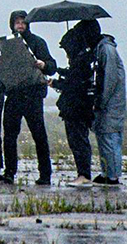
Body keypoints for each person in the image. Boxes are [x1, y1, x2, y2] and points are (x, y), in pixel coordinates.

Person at [0, 10, 57, 186]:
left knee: (39, 136)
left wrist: (43, 64)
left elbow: (52, 67)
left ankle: (45, 175)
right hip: (14, 95)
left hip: (33, 95)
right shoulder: (7, 45)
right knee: (9, 135)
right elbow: (0, 68)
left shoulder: (38, 43)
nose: (20, 25)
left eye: (23, 22)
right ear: (12, 25)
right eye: (17, 22)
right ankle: (9, 173)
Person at [52, 21, 98, 188]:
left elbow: (73, 84)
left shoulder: (81, 62)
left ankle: (84, 175)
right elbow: (73, 77)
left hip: (76, 108)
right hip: (80, 107)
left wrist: (56, 83)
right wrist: (61, 73)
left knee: (78, 141)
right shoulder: (85, 59)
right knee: (78, 141)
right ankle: (83, 174)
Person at [90, 20, 126, 185]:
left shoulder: (106, 50)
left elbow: (110, 79)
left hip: (111, 104)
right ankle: (108, 172)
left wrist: (101, 101)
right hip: (109, 102)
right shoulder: (102, 49)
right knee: (104, 136)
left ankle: (112, 176)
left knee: (110, 136)